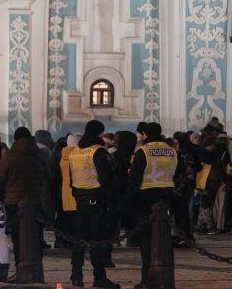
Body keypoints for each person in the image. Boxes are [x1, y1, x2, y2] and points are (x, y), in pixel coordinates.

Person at [69, 120, 120, 289]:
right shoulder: (98, 151)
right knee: (97, 240)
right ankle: (99, 277)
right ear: (98, 134)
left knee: (79, 239)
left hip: (80, 199)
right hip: (96, 199)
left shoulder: (75, 152)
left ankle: (76, 275)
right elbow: (107, 178)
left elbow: (72, 178)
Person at [126, 122, 177, 289]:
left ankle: (148, 278)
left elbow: (134, 178)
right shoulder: (171, 150)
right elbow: (175, 172)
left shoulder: (143, 151)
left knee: (147, 242)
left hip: (145, 199)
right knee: (164, 239)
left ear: (145, 134)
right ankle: (166, 276)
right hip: (165, 198)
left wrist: (129, 201)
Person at [3, 126, 46, 280]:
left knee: (17, 239)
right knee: (37, 237)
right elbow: (49, 174)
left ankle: (20, 271)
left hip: (14, 201)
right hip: (36, 200)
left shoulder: (11, 155)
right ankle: (37, 271)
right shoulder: (40, 153)